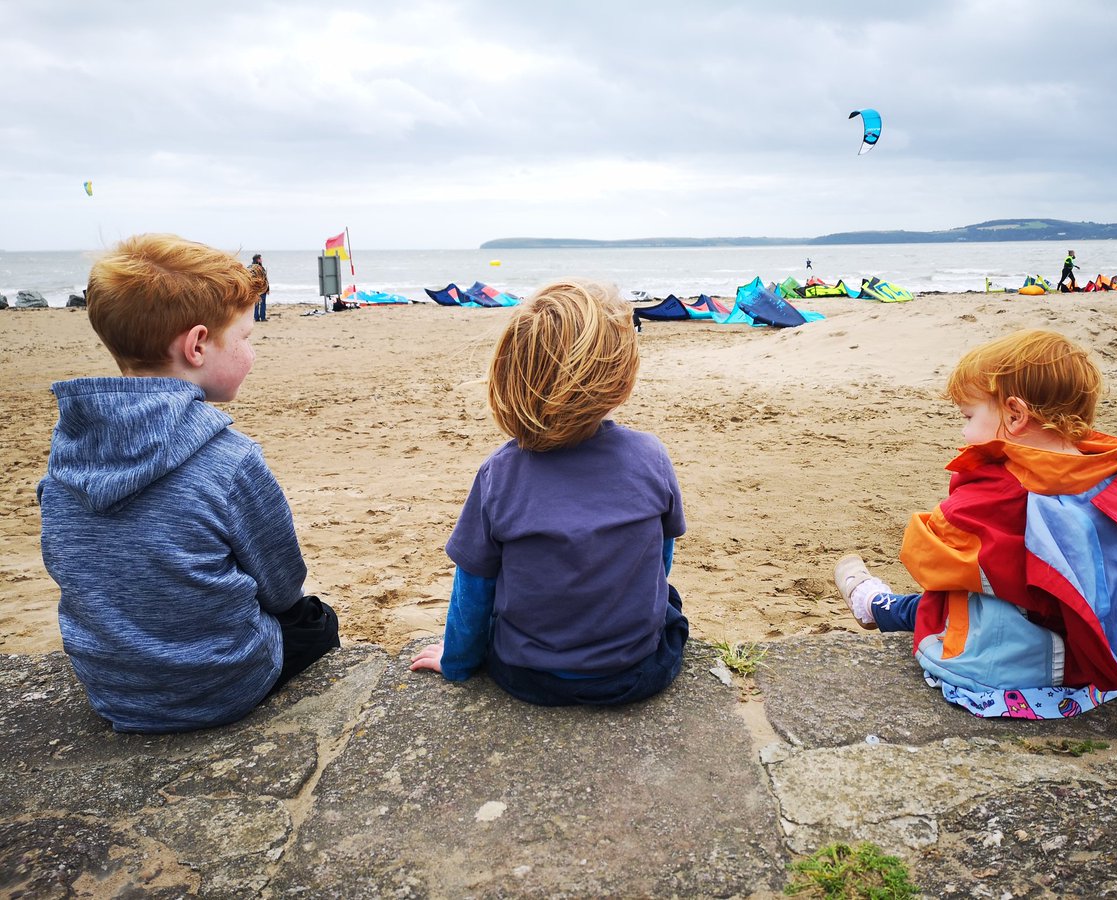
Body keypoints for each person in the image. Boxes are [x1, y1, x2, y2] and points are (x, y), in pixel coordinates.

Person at [38, 234, 339, 733]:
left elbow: (68, 565)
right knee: (316, 620)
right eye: (244, 338)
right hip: (222, 688)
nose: (252, 353)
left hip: (113, 690)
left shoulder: (66, 456)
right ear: (197, 345)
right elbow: (283, 587)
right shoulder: (230, 460)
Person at [834, 330, 1117, 719]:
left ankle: (873, 603)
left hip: (1015, 674)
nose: (964, 432)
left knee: (947, 599)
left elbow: (929, 557)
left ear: (1015, 415)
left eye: (969, 417)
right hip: (1094, 668)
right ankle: (877, 604)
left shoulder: (1000, 496)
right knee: (999, 585)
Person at [409, 280, 688, 706]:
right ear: (621, 380)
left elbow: (474, 591)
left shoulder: (499, 474)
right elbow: (659, 560)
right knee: (670, 603)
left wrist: (457, 662)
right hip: (636, 668)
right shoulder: (651, 456)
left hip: (529, 675)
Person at [249, 253, 269, 322]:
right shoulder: (260, 268)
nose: (262, 260)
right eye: (260, 258)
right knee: (262, 303)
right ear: (258, 260)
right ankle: (262, 318)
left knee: (256, 304)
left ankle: (256, 318)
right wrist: (267, 288)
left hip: (254, 289)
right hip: (261, 289)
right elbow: (264, 279)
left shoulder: (250, 267)